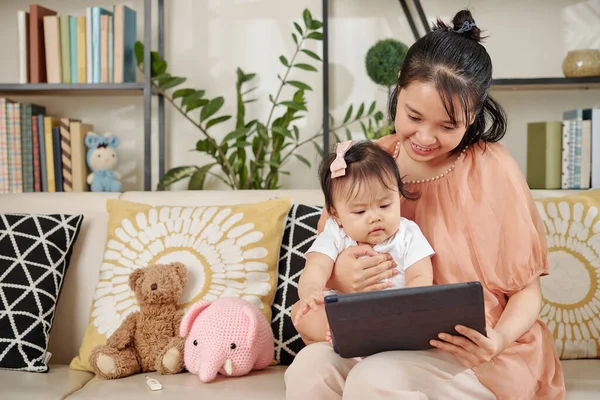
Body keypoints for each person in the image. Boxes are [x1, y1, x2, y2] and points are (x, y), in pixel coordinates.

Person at [285, 9, 566, 400]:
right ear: (397, 93)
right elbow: (326, 259)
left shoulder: (490, 167)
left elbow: (527, 292)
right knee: (310, 369)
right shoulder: (369, 162)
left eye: (448, 126)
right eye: (413, 116)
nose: (425, 136)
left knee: (376, 379)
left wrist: (498, 340)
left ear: (473, 116)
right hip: (377, 338)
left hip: (472, 352)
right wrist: (341, 279)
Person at [292, 140, 435, 344]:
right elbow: (316, 265)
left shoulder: (407, 233)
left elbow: (421, 275)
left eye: (385, 205)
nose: (375, 217)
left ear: (399, 197)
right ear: (336, 214)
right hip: (344, 312)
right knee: (301, 312)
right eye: (360, 211)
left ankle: (369, 336)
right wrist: (311, 291)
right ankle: (342, 333)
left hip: (391, 314)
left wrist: (411, 304)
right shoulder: (336, 233)